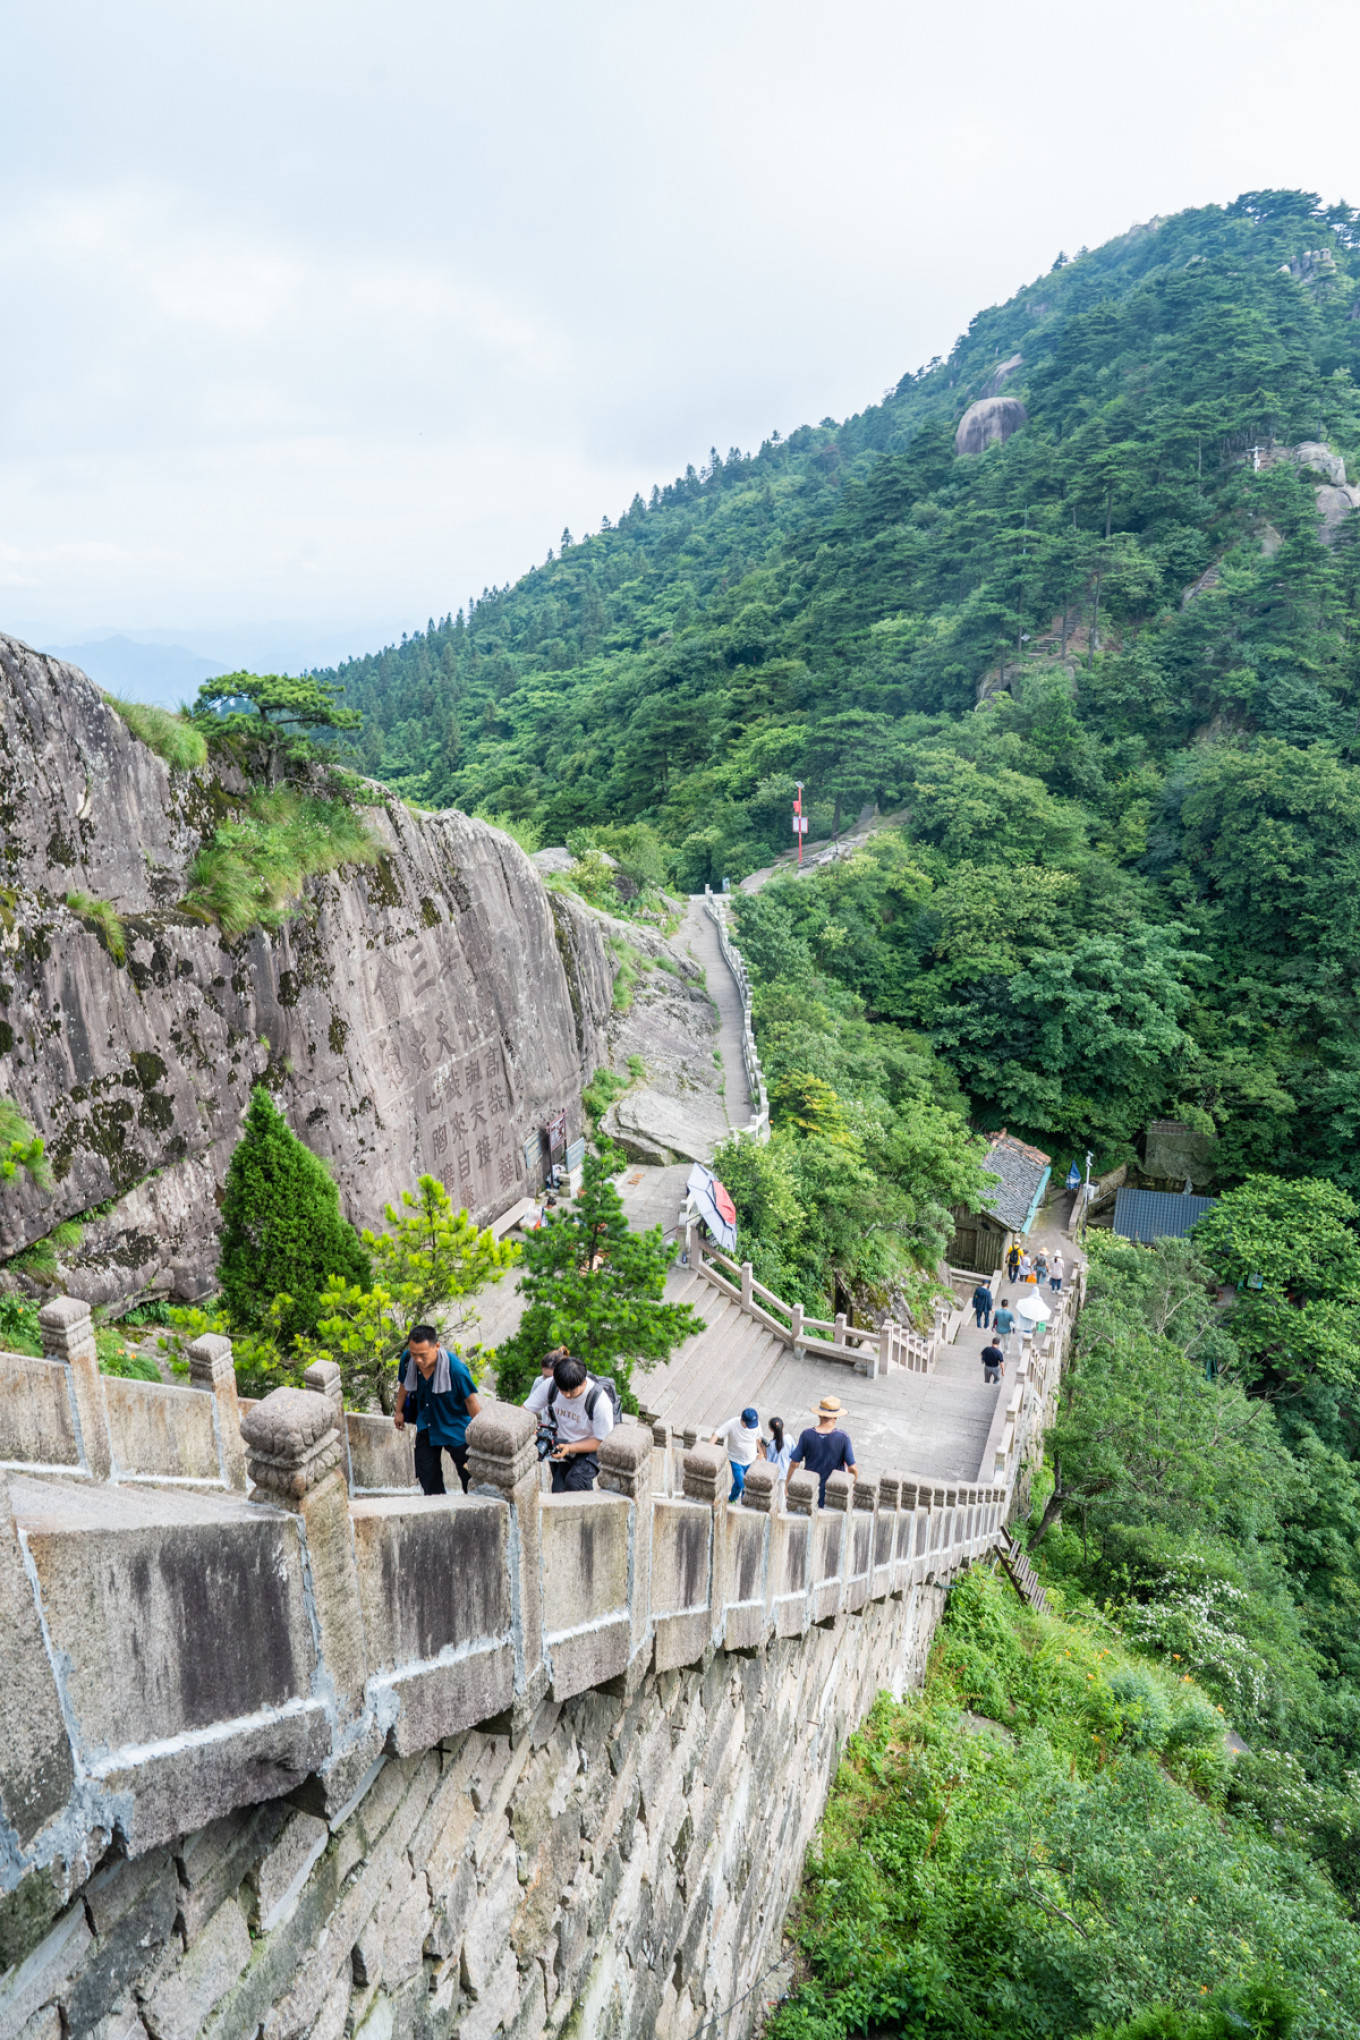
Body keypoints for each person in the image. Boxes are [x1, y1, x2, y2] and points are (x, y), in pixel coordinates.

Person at [393, 1323, 481, 1495]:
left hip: (456, 1428)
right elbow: (404, 1384)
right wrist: (399, 1411)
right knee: (427, 1474)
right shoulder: (408, 1361)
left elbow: (471, 1401)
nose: (418, 1360)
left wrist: (479, 1436)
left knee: (469, 1477)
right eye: (414, 1354)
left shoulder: (455, 1370)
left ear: (437, 1347)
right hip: (428, 1424)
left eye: (423, 1355)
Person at [525, 1354, 615, 1491]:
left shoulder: (599, 1402)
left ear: (583, 1383)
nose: (567, 1395)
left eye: (571, 1391)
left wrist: (571, 1448)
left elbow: (601, 1441)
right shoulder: (551, 1386)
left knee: (575, 1483)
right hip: (561, 1446)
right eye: (563, 1390)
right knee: (558, 1491)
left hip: (589, 1449)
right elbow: (524, 1411)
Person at [790, 1396, 858, 1506]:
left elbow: (794, 1463)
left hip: (809, 1489)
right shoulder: (843, 1438)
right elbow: (852, 1468)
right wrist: (854, 1486)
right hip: (834, 1492)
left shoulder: (806, 1434)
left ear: (819, 1415)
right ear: (836, 1417)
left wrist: (789, 1484)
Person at [712, 1408, 762, 1500]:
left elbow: (758, 1439)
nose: (751, 1427)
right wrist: (709, 1448)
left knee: (743, 1484)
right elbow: (717, 1434)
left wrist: (761, 1453)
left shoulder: (756, 1424)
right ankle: (743, 1501)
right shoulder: (732, 1423)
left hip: (751, 1459)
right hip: (736, 1460)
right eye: (748, 1425)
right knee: (742, 1483)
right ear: (742, 1421)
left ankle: (733, 1499)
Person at [762, 1415, 792, 1479]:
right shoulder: (789, 1438)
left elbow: (768, 1460)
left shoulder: (771, 1445)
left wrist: (763, 1449)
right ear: (783, 1426)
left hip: (775, 1474)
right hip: (788, 1471)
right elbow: (793, 1453)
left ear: (771, 1429)